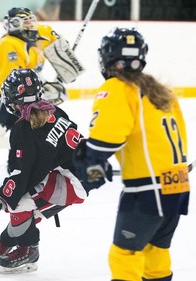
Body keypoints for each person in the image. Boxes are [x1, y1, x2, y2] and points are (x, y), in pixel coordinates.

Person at [72, 27, 190, 281]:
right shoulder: (161, 90)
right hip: (177, 186)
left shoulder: (117, 88)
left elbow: (105, 141)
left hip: (147, 191)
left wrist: (89, 160)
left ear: (106, 57)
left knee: (124, 255)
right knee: (155, 253)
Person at [0, 68, 107, 274]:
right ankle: (6, 243)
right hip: (88, 171)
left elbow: (21, 178)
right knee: (26, 208)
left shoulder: (24, 129)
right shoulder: (53, 110)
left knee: (21, 201)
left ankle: (29, 250)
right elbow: (40, 164)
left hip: (75, 181)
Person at [0, 6, 72, 131]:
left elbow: (56, 42)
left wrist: (65, 55)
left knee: (25, 137)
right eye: (25, 22)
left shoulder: (41, 34)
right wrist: (43, 91)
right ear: (14, 24)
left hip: (22, 101)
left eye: (31, 20)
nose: (30, 25)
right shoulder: (9, 44)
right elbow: (14, 82)